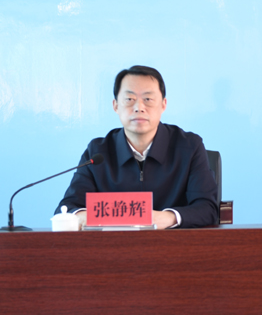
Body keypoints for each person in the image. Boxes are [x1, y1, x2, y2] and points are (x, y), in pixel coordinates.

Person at [57, 65, 219, 228]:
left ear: (163, 104)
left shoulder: (189, 147)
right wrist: (83, 217)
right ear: (115, 106)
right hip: (114, 243)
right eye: (129, 99)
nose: (139, 108)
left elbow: (208, 209)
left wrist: (167, 218)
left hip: (172, 242)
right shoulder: (97, 152)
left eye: (148, 99)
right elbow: (66, 209)